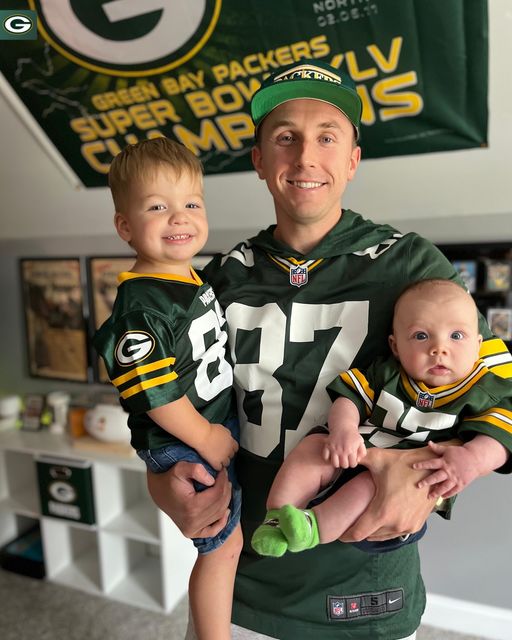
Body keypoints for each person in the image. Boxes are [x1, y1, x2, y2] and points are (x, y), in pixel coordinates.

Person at [146, 60, 512, 640]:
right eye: (285, 138)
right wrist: (161, 482)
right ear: (259, 160)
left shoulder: (412, 265)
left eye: (326, 137)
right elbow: (169, 402)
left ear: (352, 160)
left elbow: (484, 393)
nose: (305, 157)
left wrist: (414, 475)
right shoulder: (219, 278)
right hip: (240, 576)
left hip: (364, 580)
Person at [93, 138, 242, 640]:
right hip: (186, 438)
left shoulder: (186, 277)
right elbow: (154, 393)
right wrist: (206, 437)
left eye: (191, 204)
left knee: (230, 545)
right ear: (125, 226)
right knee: (220, 549)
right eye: (158, 207)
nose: (179, 218)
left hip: (206, 426)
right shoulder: (141, 305)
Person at [251, 279, 512, 557]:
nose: (439, 349)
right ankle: (276, 519)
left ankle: (313, 528)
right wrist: (343, 431)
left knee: (370, 486)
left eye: (456, 336)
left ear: (478, 344)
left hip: (404, 482)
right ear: (396, 346)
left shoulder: (484, 389)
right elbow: (348, 398)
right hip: (358, 448)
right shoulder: (386, 373)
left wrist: (473, 458)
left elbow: (499, 434)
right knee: (313, 448)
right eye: (421, 336)